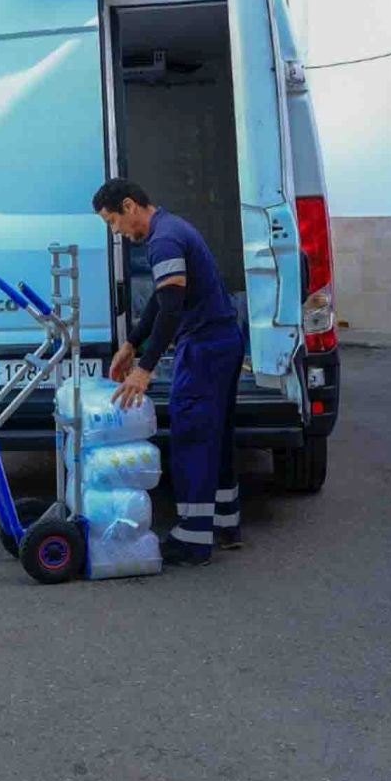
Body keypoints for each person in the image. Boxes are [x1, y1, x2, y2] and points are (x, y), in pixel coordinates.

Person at [94, 177, 245, 568]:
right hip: (223, 341)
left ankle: (193, 540)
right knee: (217, 436)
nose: (116, 231)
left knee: (192, 436)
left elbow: (172, 309)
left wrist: (143, 370)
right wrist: (132, 344)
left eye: (113, 221)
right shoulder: (170, 229)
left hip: (205, 348)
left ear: (129, 206)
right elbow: (161, 304)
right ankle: (224, 524)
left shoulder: (163, 240)